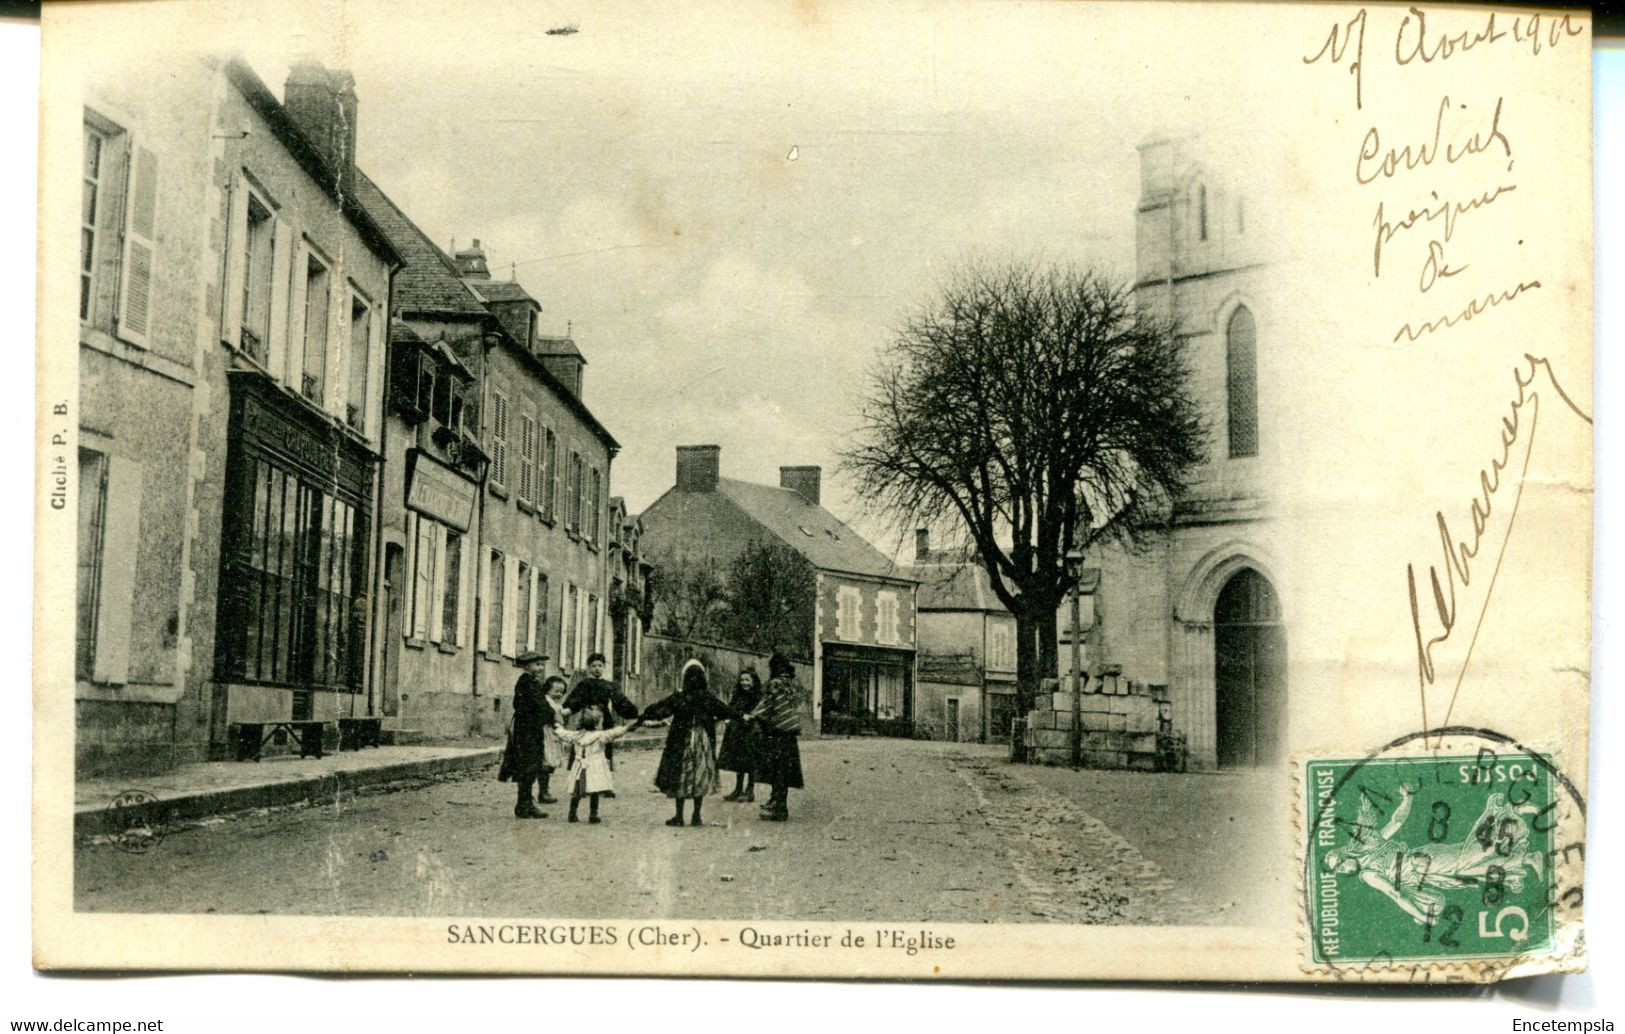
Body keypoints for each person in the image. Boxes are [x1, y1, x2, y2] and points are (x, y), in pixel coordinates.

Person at [638, 660, 744, 827]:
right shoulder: (707, 697)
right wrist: (740, 715)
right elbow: (725, 711)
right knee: (699, 776)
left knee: (681, 776)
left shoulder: (679, 697)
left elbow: (660, 709)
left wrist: (642, 716)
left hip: (682, 740)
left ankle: (679, 816)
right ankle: (696, 816)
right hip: (702, 741)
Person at [563, 652, 640, 794]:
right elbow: (574, 701)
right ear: (588, 668)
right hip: (586, 719)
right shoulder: (583, 684)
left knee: (604, 752)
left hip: (604, 719)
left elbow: (620, 701)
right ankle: (581, 784)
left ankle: (605, 785)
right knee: (584, 749)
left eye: (600, 666)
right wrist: (567, 710)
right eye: (593, 666)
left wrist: (633, 714)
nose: (597, 669)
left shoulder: (608, 685)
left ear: (604, 667)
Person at [553, 707, 637, 824]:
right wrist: (629, 726)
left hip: (579, 764)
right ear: (598, 723)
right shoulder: (601, 735)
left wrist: (555, 724)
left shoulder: (576, 735)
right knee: (595, 790)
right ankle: (593, 814)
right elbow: (617, 732)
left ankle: (572, 813)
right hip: (595, 766)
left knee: (577, 790)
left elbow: (562, 733)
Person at [747, 652, 805, 821]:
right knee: (784, 771)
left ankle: (779, 807)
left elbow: (767, 705)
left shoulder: (775, 683)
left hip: (777, 733)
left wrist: (752, 715)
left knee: (777, 770)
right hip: (790, 734)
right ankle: (777, 801)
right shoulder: (791, 683)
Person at [502, 650, 556, 819]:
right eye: (536, 664)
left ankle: (524, 803)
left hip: (530, 729)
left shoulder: (532, 682)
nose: (540, 667)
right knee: (528, 767)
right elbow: (536, 704)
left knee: (530, 767)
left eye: (541, 664)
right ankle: (524, 804)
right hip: (527, 731)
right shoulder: (526, 682)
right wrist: (549, 716)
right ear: (526, 665)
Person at [717, 668, 763, 802]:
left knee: (750, 761)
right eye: (742, 680)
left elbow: (759, 713)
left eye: (747, 680)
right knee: (738, 761)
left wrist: (751, 717)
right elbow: (730, 709)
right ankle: (738, 789)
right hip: (737, 732)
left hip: (751, 732)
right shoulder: (738, 695)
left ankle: (750, 790)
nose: (744, 683)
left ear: (753, 682)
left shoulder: (758, 696)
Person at [538, 675, 571, 803]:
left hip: (554, 736)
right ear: (547, 690)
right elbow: (552, 717)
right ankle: (543, 791)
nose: (559, 694)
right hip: (547, 734)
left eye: (561, 692)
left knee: (550, 763)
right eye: (556, 691)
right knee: (547, 763)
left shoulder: (556, 704)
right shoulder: (546, 702)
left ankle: (544, 790)